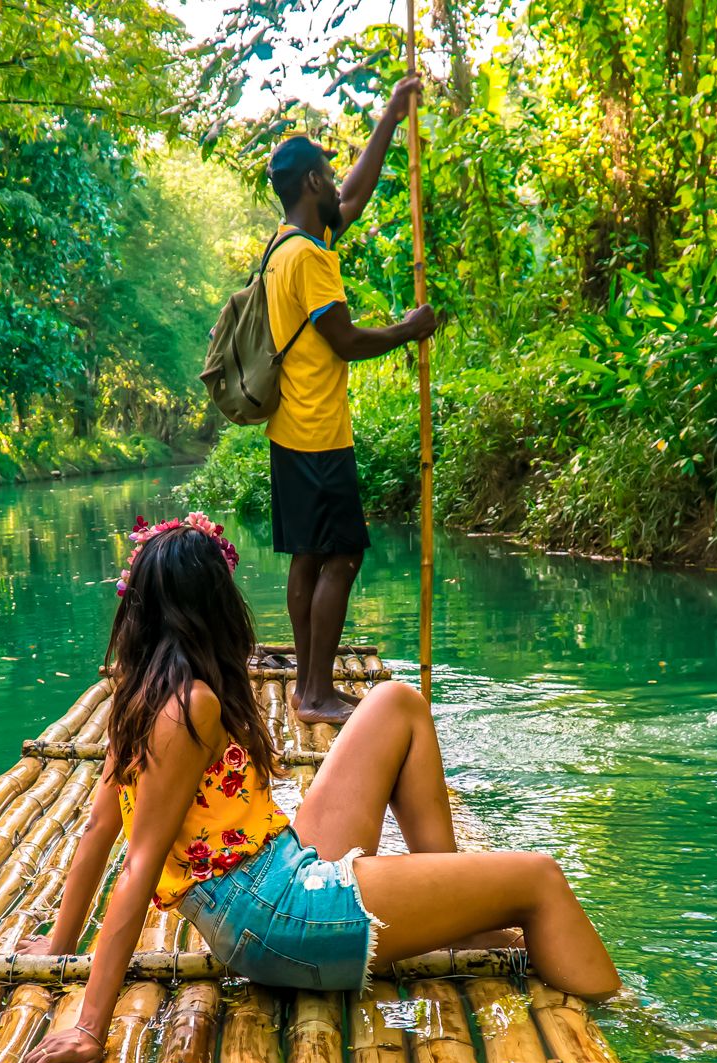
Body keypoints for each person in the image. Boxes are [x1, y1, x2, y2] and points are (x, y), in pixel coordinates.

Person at [17, 515, 619, 1063]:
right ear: (215, 608)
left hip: (272, 877)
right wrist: (90, 1025)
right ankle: (635, 1022)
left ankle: (459, 912)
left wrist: (62, 942)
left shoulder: (143, 695)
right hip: (274, 915)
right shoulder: (189, 705)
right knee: (541, 880)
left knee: (396, 704)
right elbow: (137, 863)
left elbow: (98, 826)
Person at [262, 79, 439, 726]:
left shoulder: (286, 246)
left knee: (309, 556)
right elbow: (344, 339)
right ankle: (315, 693)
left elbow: (356, 194)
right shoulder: (309, 259)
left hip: (291, 431)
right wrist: (408, 329)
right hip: (317, 431)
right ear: (311, 183)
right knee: (342, 554)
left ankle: (312, 684)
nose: (338, 184)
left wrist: (390, 117)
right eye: (328, 175)